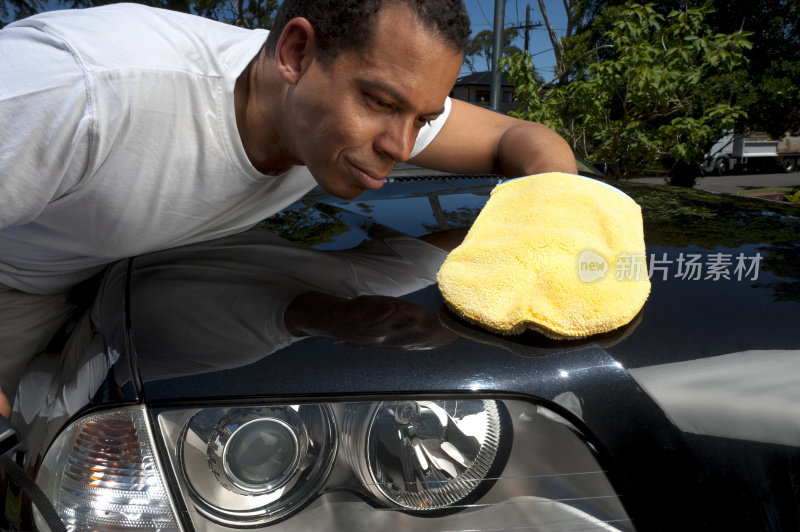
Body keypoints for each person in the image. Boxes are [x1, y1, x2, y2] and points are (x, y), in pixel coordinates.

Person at [0, 0, 576, 407]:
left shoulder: (386, 99)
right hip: (17, 279)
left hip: (139, 267)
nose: (401, 146)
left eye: (423, 119)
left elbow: (519, 140)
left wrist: (554, 224)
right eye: (379, 103)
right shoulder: (81, 90)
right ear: (296, 53)